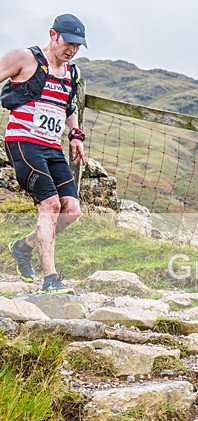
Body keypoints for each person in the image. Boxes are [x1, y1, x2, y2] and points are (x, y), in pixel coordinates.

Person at [1, 14, 88, 294]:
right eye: (69, 43)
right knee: (50, 206)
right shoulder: (24, 58)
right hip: (23, 142)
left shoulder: (71, 72)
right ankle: (50, 279)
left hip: (52, 146)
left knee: (72, 211)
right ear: (53, 35)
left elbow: (69, 106)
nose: (72, 50)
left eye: (78, 46)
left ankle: (22, 247)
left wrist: (75, 135)